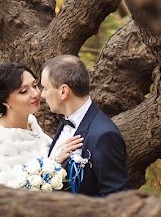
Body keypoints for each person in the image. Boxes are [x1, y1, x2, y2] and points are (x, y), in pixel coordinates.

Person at [0, 62, 83, 187]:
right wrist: (54, 164)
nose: (35, 94)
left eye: (34, 85)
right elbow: (9, 190)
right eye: (24, 91)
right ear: (5, 101)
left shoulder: (31, 123)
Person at [41, 54, 128, 196]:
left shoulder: (103, 135)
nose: (42, 94)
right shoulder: (67, 121)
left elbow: (115, 198)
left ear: (63, 91)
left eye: (45, 88)